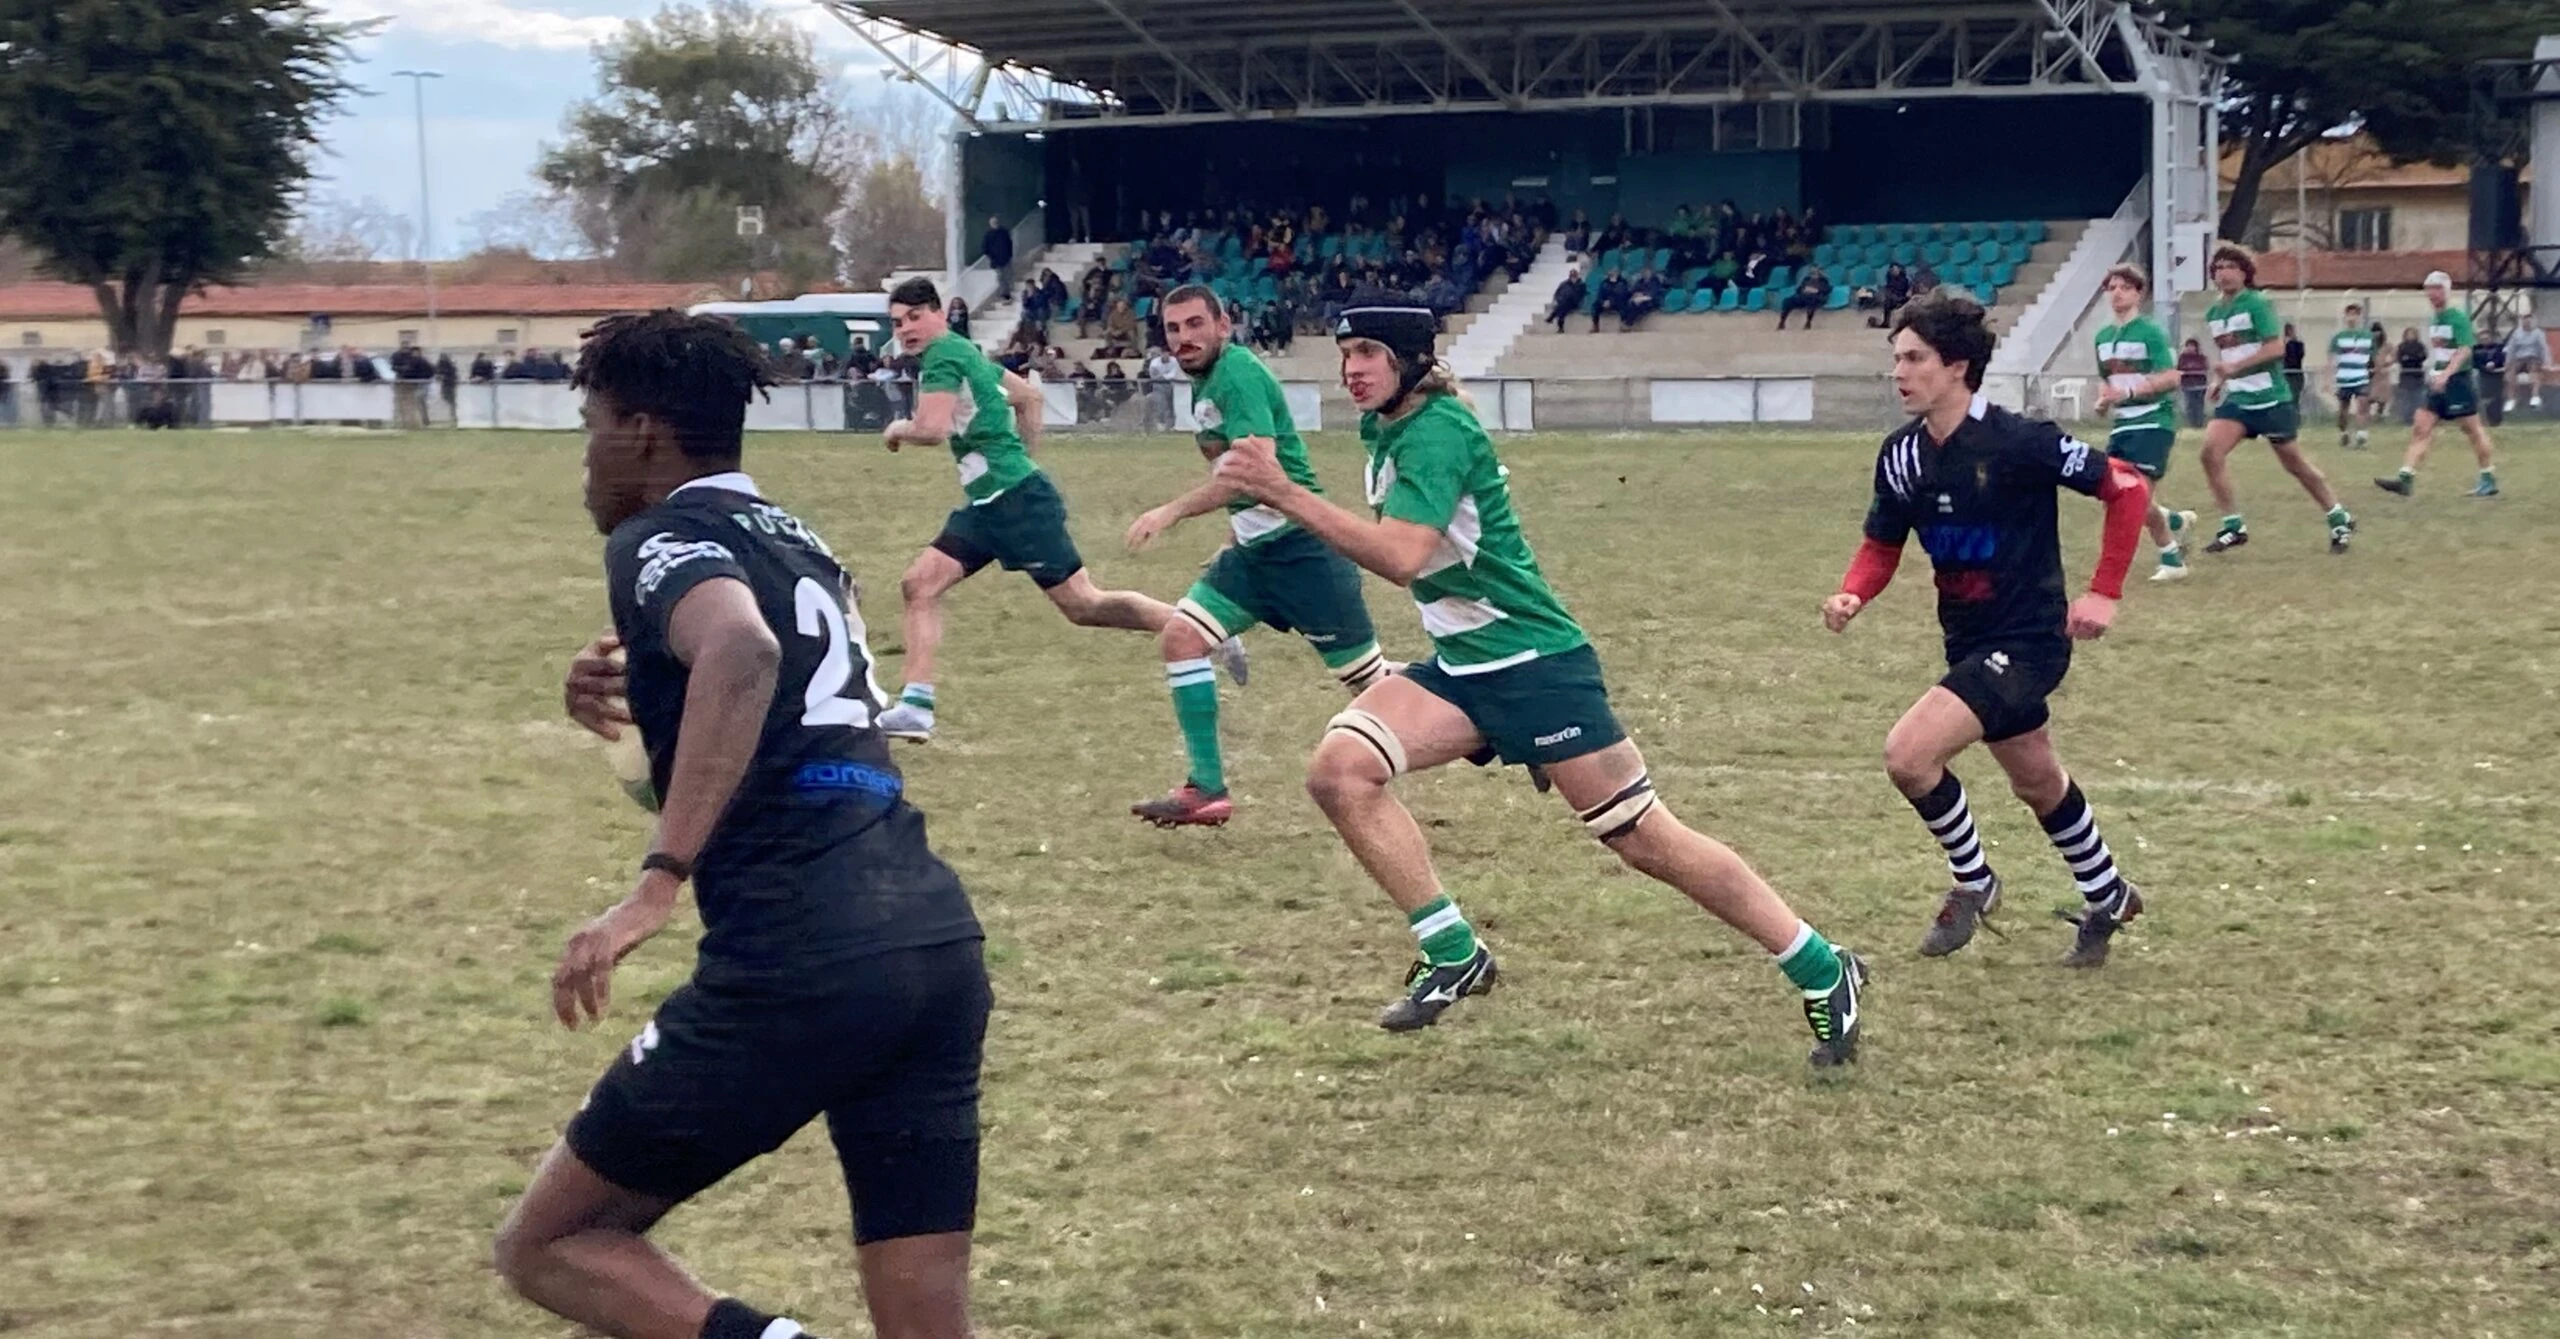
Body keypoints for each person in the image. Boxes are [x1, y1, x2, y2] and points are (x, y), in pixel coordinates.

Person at [1210, 290, 1867, 1064]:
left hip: (1535, 665)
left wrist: (1285, 491)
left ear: (1409, 361)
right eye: (1345, 355)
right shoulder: (1386, 425)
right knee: (1340, 772)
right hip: (1464, 667)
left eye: (1368, 355)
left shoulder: (1438, 430)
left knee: (1643, 838)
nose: (1351, 369)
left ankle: (1823, 967)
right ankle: (1453, 951)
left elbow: (1400, 556)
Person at [498, 310, 987, 1339]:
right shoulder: (801, 544)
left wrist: (657, 881)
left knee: (549, 1242)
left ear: (641, 432)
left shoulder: (654, 537)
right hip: (931, 939)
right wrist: (635, 694)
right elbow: (778, 722)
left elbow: (743, 653)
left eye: (592, 427)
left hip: (799, 954)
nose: (585, 458)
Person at [1823, 289, 2154, 968]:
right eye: (1896, 358)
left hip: (2029, 642)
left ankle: (1974, 881)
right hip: (1969, 641)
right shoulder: (1900, 455)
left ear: (1957, 367)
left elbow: (2127, 488)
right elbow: (1882, 544)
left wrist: (2104, 592)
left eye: (1914, 358)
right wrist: (1854, 592)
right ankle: (2109, 894)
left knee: (1909, 755)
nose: (1898, 372)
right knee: (2037, 781)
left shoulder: (2021, 441)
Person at [874, 278, 1199, 742]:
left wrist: (897, 429)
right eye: (897, 322)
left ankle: (1200, 630)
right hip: (994, 502)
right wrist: (1023, 465)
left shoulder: (943, 356)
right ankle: (916, 707)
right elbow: (1028, 397)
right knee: (918, 585)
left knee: (1084, 605)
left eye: (914, 317)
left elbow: (931, 429)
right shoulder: (964, 352)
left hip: (1013, 502)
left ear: (939, 315)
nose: (906, 329)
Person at [1121, 284, 1395, 826]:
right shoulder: (1207, 382)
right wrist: (1234, 536)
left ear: (1223, 325)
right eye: (1173, 328)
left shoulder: (1237, 374)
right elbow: (1244, 485)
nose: (1183, 337)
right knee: (1182, 637)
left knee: (1373, 683)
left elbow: (1255, 473)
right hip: (1255, 555)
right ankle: (1206, 789)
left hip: (1304, 553)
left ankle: (1485, 719)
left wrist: (1171, 511)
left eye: (1195, 324)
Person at [2193, 246, 2354, 556]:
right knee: (2210, 453)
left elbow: (2275, 348)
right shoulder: (2214, 313)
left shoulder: (2257, 303)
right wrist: (2220, 381)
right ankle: (2233, 526)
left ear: (2245, 273)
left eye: (2231, 267)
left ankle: (2338, 517)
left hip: (2270, 399)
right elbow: (2230, 355)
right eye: (2219, 267)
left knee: (2295, 464)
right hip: (2238, 399)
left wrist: (2235, 368)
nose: (2224, 273)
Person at [2088, 264, 2196, 581]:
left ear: (2139, 293)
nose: (2117, 293)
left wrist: (2130, 392)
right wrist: (2103, 400)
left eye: (2124, 287)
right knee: (2115, 495)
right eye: (2111, 287)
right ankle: (2174, 521)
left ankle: (2172, 560)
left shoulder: (2151, 332)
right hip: (2123, 425)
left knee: (2135, 496)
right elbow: (2107, 380)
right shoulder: (2103, 337)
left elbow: (2171, 377)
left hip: (2153, 421)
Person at [2375, 271, 2498, 499]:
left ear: (2446, 291)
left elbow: (2464, 350)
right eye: (2429, 289)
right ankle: (2405, 478)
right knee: (2421, 427)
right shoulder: (2435, 320)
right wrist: (2436, 373)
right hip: (2438, 382)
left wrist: (2447, 374)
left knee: (2472, 430)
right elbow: (2442, 353)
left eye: (2437, 288)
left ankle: (2488, 478)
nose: (2432, 293)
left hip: (2458, 381)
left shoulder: (2457, 317)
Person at [2329, 302, 2377, 450]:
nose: (2352, 318)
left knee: (2362, 405)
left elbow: (2374, 357)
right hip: (2344, 378)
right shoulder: (2339, 337)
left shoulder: (2368, 337)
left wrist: (2374, 373)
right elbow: (2331, 358)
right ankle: (2343, 432)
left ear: (2360, 317)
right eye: (2349, 315)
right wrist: (2329, 378)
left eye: (2355, 315)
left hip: (2361, 376)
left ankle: (2361, 436)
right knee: (2343, 409)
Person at [2503, 315, 2544, 412]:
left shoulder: (2538, 333)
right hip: (2519, 358)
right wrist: (2507, 363)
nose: (2528, 324)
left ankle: (2535, 397)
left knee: (2534, 371)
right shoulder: (2516, 333)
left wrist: (2546, 361)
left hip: (2533, 357)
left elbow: (2543, 348)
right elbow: (2511, 349)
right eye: (2526, 322)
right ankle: (2511, 399)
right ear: (2522, 322)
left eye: (2530, 322)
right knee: (2510, 374)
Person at [1777, 264, 1832, 331]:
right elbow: (1799, 289)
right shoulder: (1806, 279)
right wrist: (1803, 290)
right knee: (1787, 301)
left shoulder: (1823, 281)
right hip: (1803, 297)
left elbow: (1826, 290)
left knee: (1811, 300)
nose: (1813, 273)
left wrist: (1814, 290)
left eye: (1815, 271)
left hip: (1816, 298)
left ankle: (1808, 322)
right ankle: (1782, 322)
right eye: (1812, 272)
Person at [2392, 326, 2426, 425]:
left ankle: (2417, 417)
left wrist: (2410, 358)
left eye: (2412, 334)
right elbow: (2400, 358)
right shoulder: (2402, 346)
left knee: (2417, 397)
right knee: (2406, 397)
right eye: (2408, 334)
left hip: (2417, 374)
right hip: (2405, 375)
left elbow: (2422, 357)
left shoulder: (2420, 346)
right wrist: (2408, 358)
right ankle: (2406, 418)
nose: (2410, 336)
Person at [2176, 339, 2209, 427]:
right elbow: (2179, 370)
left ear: (2196, 347)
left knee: (2199, 405)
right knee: (2190, 405)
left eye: (2192, 346)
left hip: (2200, 386)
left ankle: (2200, 423)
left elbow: (2204, 370)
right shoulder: (2183, 358)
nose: (2190, 348)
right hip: (2187, 386)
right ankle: (2192, 424)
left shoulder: (2201, 358)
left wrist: (2190, 372)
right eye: (2188, 346)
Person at [979, 216, 1013, 294]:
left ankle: (1007, 292)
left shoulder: (1004, 232)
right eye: (993, 223)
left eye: (996, 222)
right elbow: (985, 248)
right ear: (990, 224)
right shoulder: (988, 235)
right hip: (996, 260)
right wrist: (992, 257)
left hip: (1006, 258)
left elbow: (1009, 244)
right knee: (1000, 277)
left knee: (1007, 276)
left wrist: (1009, 255)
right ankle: (1004, 293)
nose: (995, 224)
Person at [1548, 266, 1587, 334]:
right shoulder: (1564, 284)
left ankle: (1552, 316)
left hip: (1574, 302)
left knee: (1565, 302)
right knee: (1563, 308)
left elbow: (1579, 295)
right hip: (1564, 302)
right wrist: (1557, 299)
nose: (1573, 278)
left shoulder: (1581, 285)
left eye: (1574, 277)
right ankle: (1560, 327)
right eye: (1572, 277)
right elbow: (1557, 293)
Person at [2281, 323, 2308, 403]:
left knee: (2296, 396)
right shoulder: (2283, 344)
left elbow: (2299, 356)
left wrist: (2291, 343)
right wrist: (2285, 344)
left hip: (2296, 373)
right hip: (2286, 373)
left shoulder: (2298, 344)